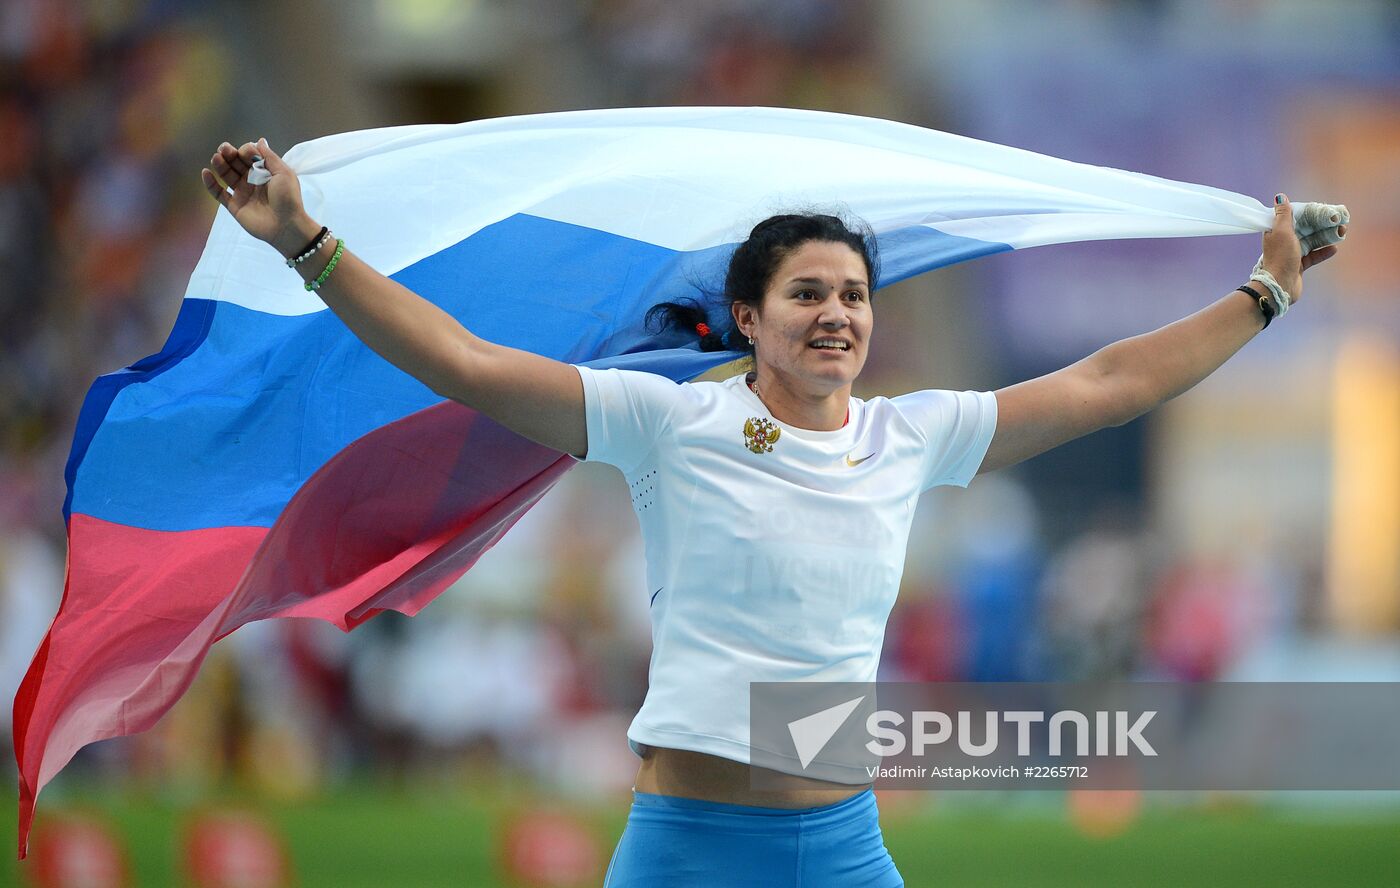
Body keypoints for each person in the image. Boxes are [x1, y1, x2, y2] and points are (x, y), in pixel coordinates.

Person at [202, 137, 1343, 887]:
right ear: (748, 318)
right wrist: (307, 242)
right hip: (688, 849)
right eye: (806, 293)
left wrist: (1266, 290)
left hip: (845, 847)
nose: (836, 314)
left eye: (853, 295)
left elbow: (1106, 387)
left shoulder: (910, 435)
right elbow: (466, 362)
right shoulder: (667, 424)